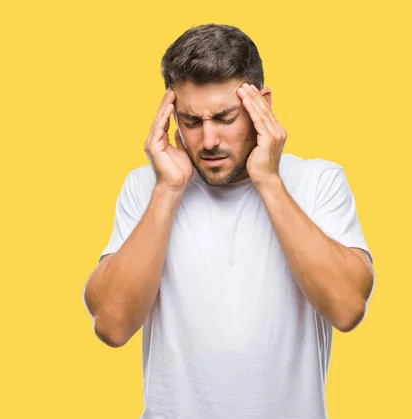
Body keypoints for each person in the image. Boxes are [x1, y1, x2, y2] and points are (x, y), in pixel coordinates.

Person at [81, 23, 375, 419]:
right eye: (190, 121)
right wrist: (168, 191)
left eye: (225, 117)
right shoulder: (146, 187)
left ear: (262, 106)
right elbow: (111, 326)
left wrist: (268, 180)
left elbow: (347, 309)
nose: (208, 140)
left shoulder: (317, 181)